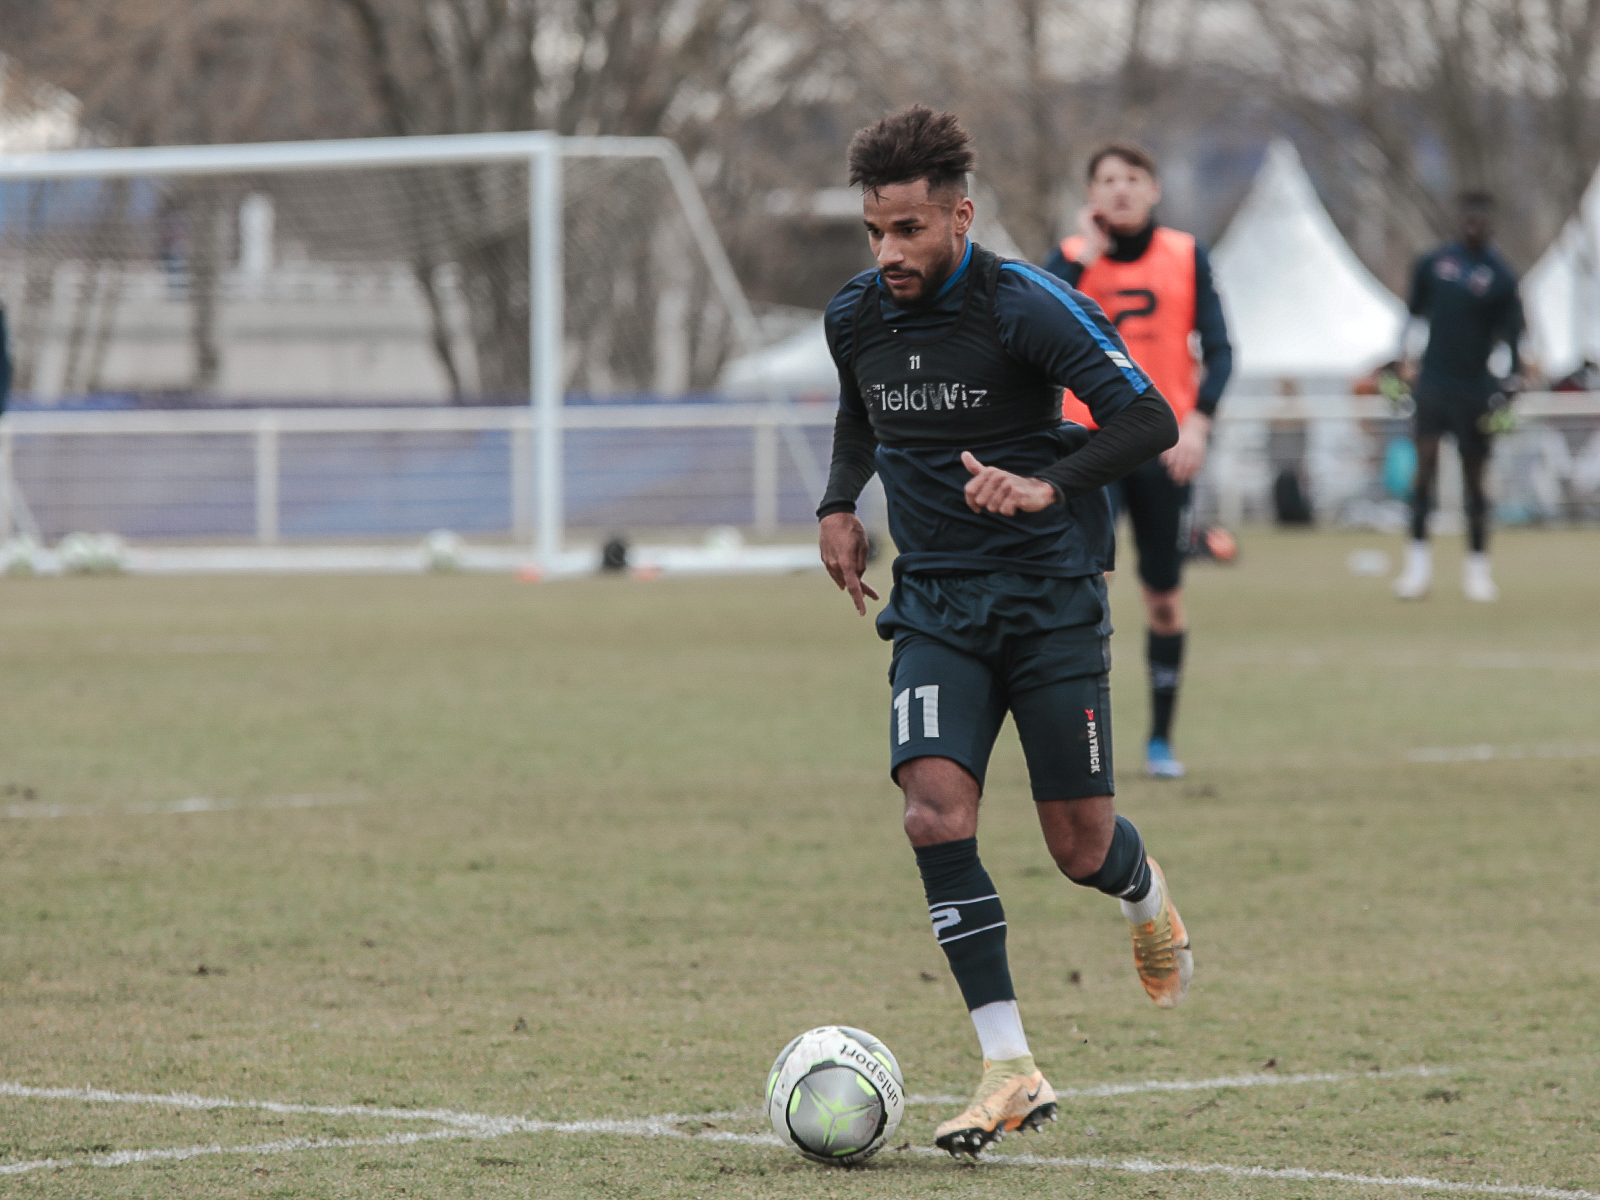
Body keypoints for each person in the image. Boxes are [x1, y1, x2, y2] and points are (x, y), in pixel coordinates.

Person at [816, 106, 1191, 1160]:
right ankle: (1007, 1065)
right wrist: (837, 504)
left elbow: (1146, 418)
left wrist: (1047, 485)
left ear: (961, 219)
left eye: (909, 231)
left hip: (1047, 600)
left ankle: (1142, 891)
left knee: (1077, 848)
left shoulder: (1026, 305)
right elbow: (859, 410)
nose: (888, 252)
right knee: (934, 818)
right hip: (934, 602)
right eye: (874, 231)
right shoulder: (854, 315)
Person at [1040, 141, 1232, 779]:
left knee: (1164, 599)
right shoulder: (1068, 261)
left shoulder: (1184, 254)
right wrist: (1080, 257)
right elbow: (1027, 328)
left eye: (1132, 178)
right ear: (1090, 195)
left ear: (1153, 190)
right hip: (1088, 448)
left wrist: (1198, 422)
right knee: (1087, 591)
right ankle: (1079, 741)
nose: (1119, 190)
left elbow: (1222, 348)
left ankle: (1160, 742)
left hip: (1162, 449)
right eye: (1106, 180)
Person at [1392, 192, 1525, 602]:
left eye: (1481, 217)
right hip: (1434, 384)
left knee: (1475, 480)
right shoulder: (1433, 265)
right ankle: (1417, 568)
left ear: (1491, 223)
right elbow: (1412, 319)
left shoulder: (1501, 276)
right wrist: (1404, 364)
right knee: (1424, 470)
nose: (1474, 222)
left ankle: (1477, 571)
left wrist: (1509, 386)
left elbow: (1514, 340)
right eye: (1468, 215)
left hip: (1475, 389)